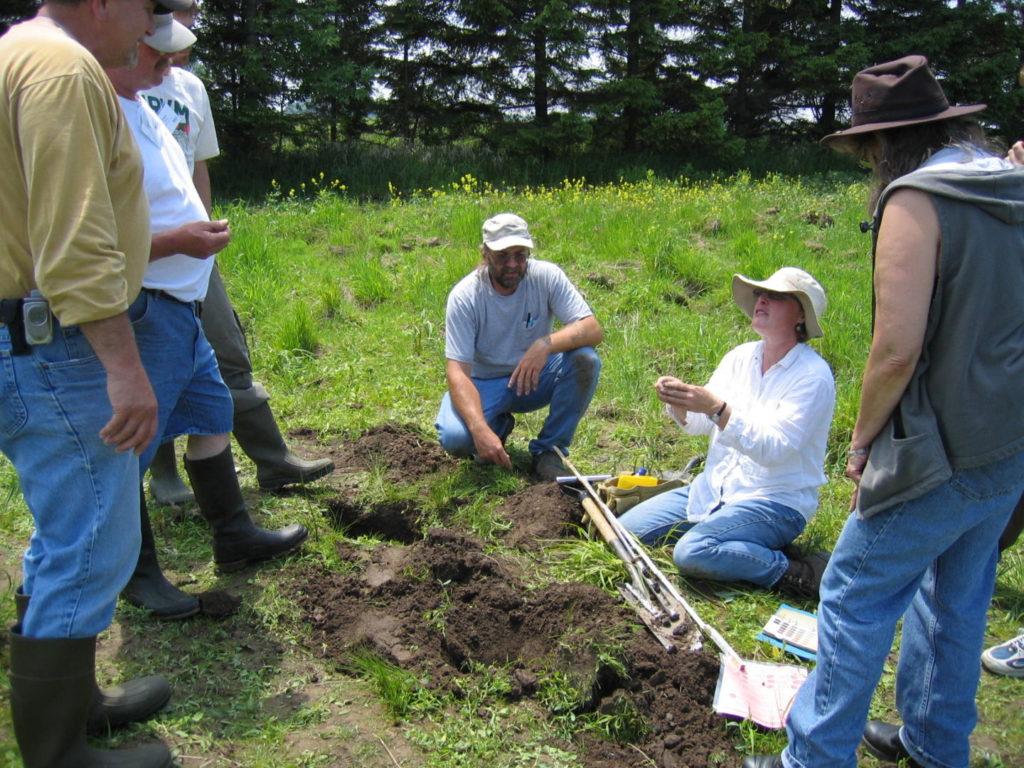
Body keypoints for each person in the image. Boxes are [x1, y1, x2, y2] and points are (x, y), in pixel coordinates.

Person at [743, 56, 1024, 768]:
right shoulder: (1011, 185)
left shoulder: (915, 199)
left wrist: (862, 444)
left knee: (852, 594)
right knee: (957, 597)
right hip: (1009, 440)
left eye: (869, 150)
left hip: (940, 447)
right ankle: (935, 745)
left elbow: (895, 351)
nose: (869, 163)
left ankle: (814, 757)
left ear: (889, 142)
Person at [0, 0, 191, 764]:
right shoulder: (64, 69)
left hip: (26, 336)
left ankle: (75, 700)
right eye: (147, 8)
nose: (150, 27)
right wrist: (123, 365)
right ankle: (58, 754)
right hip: (54, 343)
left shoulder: (17, 51)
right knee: (91, 543)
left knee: (63, 530)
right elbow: (73, 241)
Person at [106, 14, 309, 622]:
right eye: (157, 54)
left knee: (213, 411)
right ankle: (137, 572)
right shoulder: (99, 116)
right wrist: (177, 244)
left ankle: (234, 534)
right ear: (118, 45)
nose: (171, 66)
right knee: (130, 449)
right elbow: (93, 241)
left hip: (182, 300)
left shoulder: (141, 102)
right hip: (143, 304)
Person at [141, 0, 334, 505]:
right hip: (143, 256)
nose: (184, 27)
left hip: (195, 253)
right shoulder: (121, 88)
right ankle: (165, 476)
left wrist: (203, 234)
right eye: (174, 15)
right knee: (156, 367)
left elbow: (199, 165)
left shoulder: (191, 89)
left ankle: (273, 462)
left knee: (228, 353)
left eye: (190, 18)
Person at [618, 268, 835, 599]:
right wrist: (680, 403)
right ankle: (741, 543)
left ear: (800, 315)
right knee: (626, 533)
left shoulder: (813, 377)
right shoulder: (741, 357)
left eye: (776, 296)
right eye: (761, 294)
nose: (762, 300)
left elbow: (774, 449)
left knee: (691, 553)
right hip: (714, 489)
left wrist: (718, 408)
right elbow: (701, 423)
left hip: (774, 501)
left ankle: (797, 573)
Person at [435, 213, 604, 481]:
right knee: (457, 440)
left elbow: (592, 329)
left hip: (535, 377)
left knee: (586, 359)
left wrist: (544, 344)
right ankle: (496, 425)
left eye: (520, 255)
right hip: (484, 383)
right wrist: (480, 430)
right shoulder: (466, 296)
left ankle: (550, 451)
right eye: (503, 256)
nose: (512, 264)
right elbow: (457, 372)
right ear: (486, 253)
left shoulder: (546, 276)